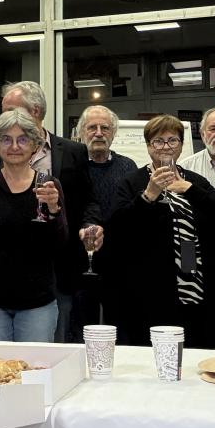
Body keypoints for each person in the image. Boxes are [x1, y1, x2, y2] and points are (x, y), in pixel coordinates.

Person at [102, 114, 215, 348]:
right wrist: (148, 195)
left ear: (181, 145)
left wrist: (190, 189)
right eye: (158, 141)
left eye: (172, 140)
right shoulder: (132, 182)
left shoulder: (195, 181)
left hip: (196, 285)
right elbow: (116, 229)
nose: (166, 147)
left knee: (193, 349)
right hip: (148, 289)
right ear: (149, 146)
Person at [1, 81, 101, 342]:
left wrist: (89, 225)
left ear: (35, 111)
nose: (4, 117)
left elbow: (88, 200)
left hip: (60, 265)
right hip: (11, 266)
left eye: (10, 110)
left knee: (55, 342)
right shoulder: (1, 151)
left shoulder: (73, 151)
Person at [0, 109, 68, 342]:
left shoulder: (49, 186)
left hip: (38, 304)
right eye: (6, 140)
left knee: (34, 365)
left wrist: (54, 210)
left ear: (35, 145)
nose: (14, 146)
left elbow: (60, 245)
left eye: (22, 139)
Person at [75, 105, 137, 328]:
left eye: (105, 128)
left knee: (120, 327)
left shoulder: (128, 166)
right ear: (81, 132)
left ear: (114, 133)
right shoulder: (73, 166)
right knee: (83, 328)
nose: (99, 133)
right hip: (80, 262)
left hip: (119, 261)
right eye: (92, 127)